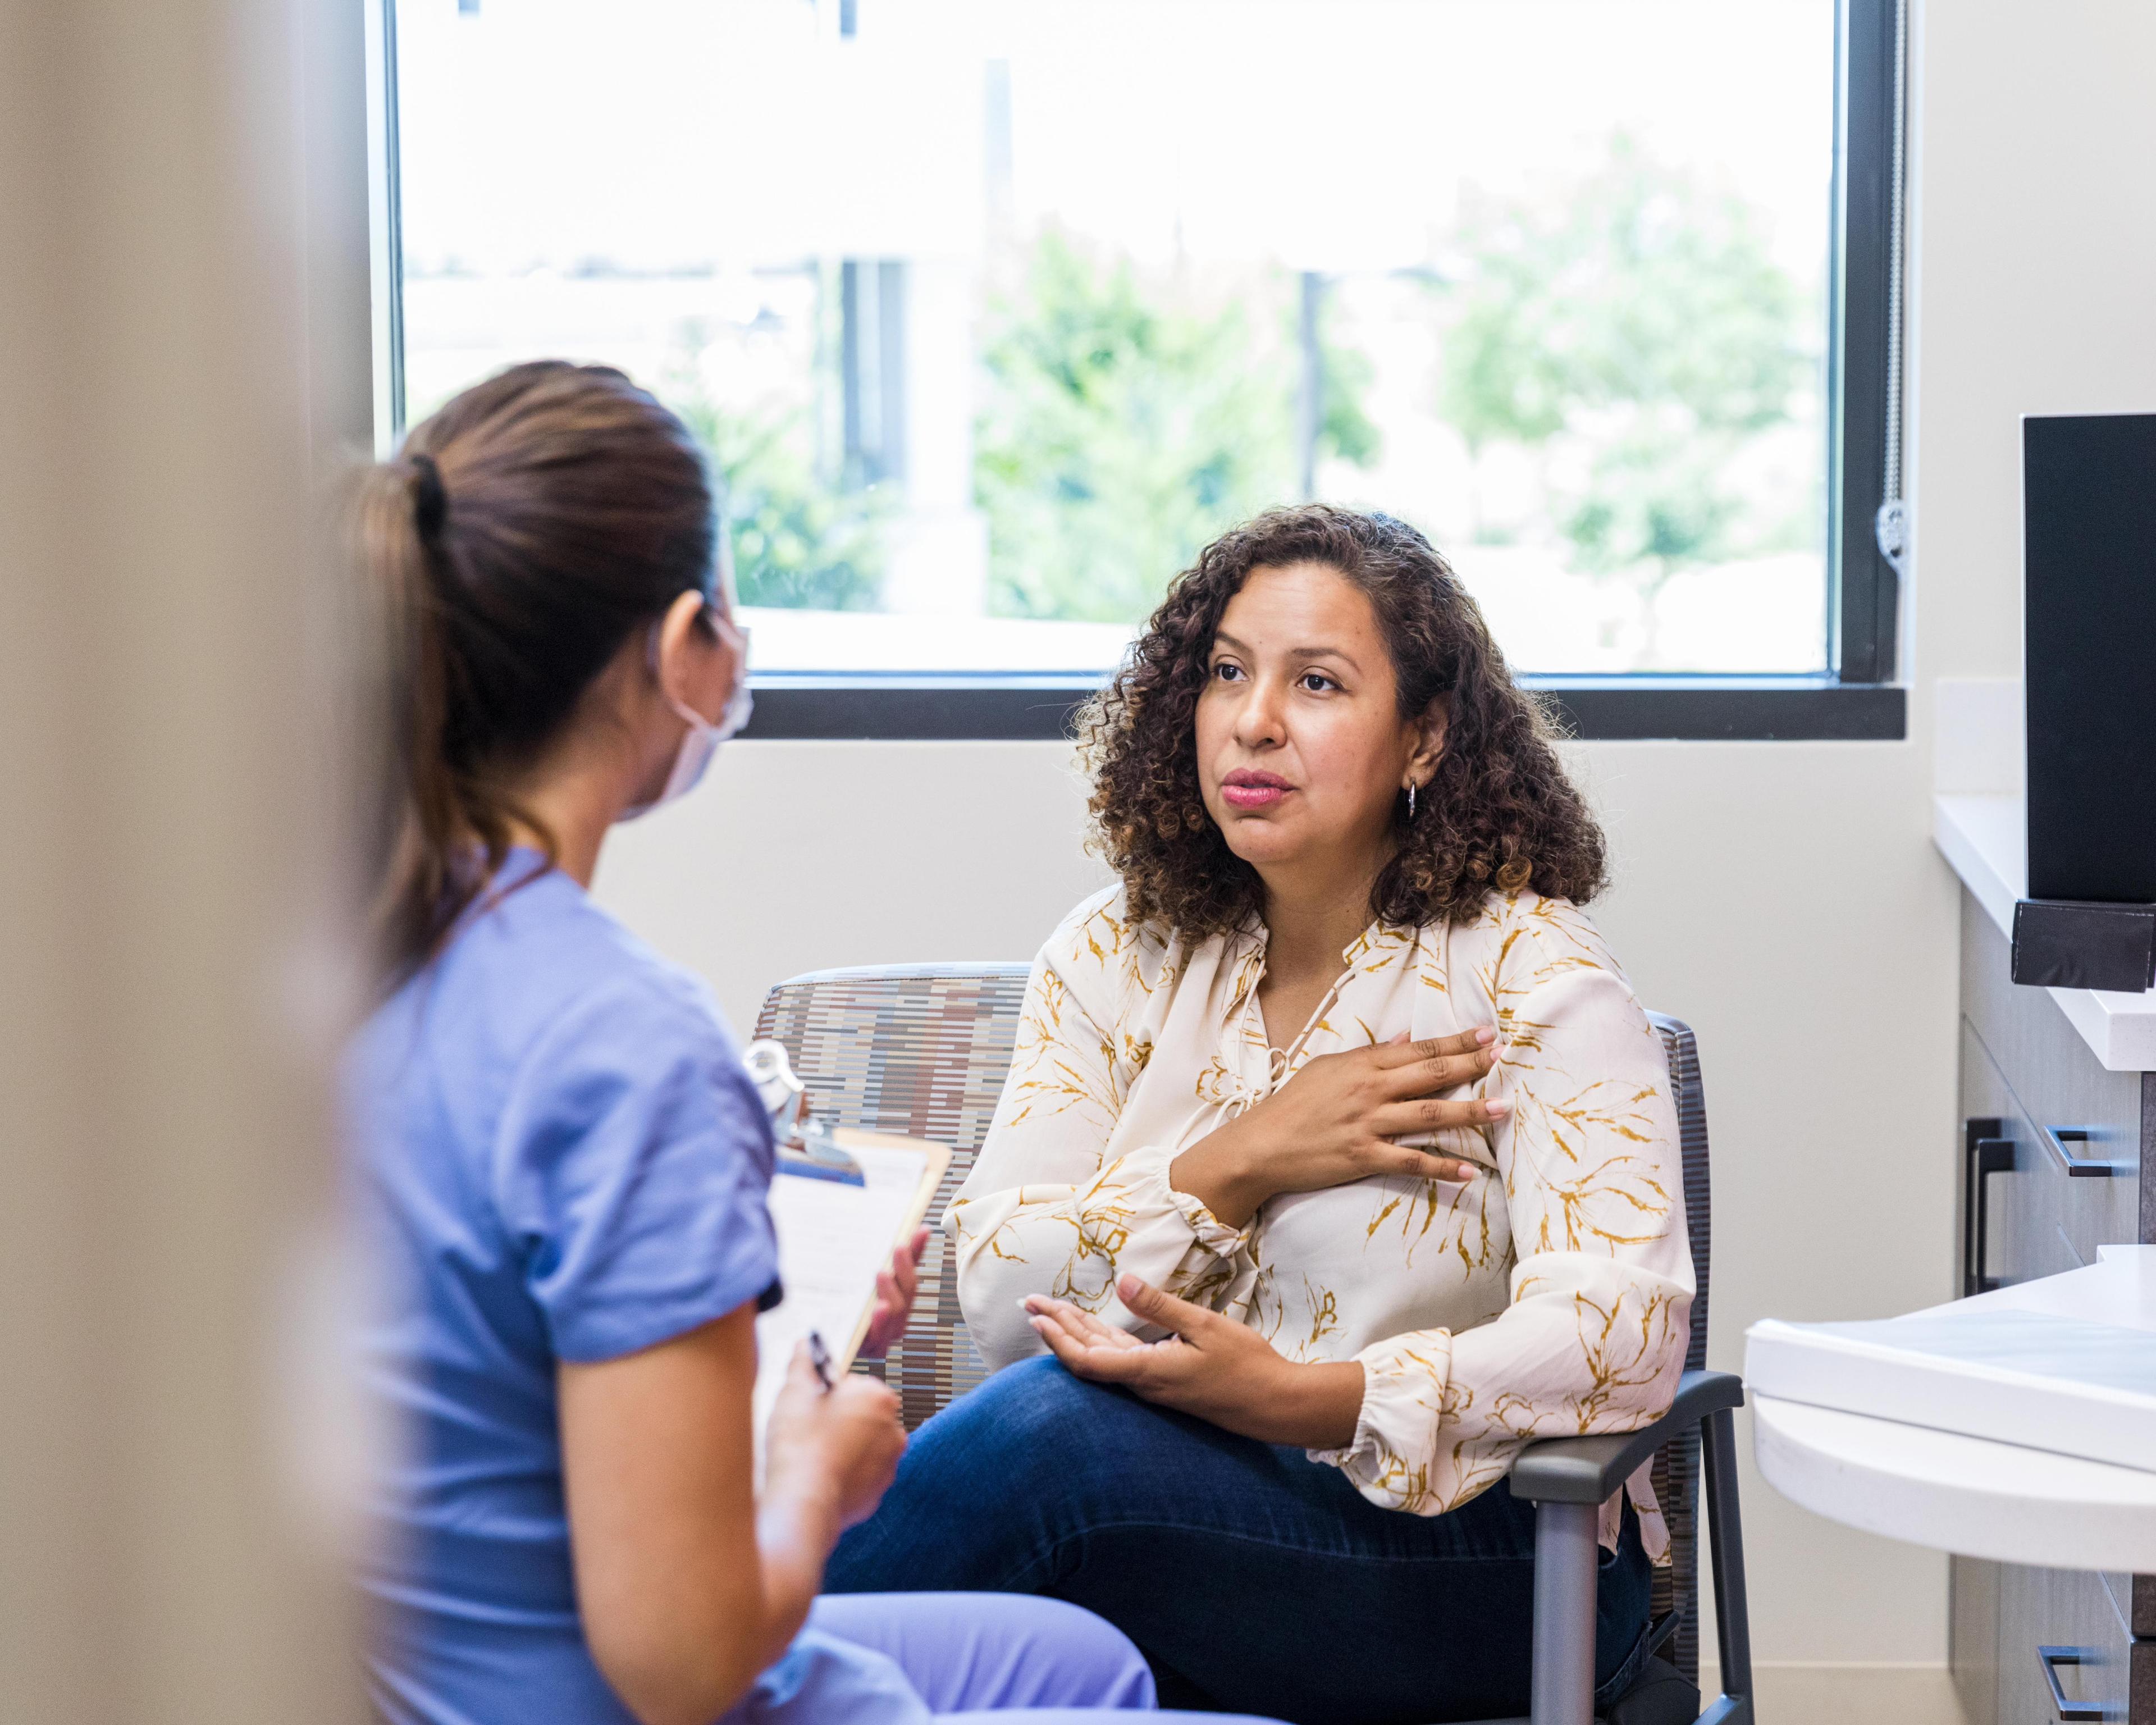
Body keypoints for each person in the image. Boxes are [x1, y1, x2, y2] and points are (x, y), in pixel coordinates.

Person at [345, 359, 1283, 1725]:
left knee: (1089, 1663)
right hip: (621, 1683)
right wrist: (818, 1475)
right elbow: (681, 1662)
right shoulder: (624, 1041)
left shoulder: (346, 962)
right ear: (685, 648)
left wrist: (785, 1352)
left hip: (443, 1661)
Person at [826, 505, 1694, 1725]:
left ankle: (676, 1674)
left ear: (1426, 737)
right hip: (1178, 1538)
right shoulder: (1113, 953)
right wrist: (1239, 1160)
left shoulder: (1530, 978)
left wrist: (1317, 1398)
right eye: (1227, 671)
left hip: (1481, 1559)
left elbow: (1626, 1333)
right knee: (1023, 1485)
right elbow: (999, 1284)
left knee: (1041, 1442)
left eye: (1319, 683)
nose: (1255, 719)